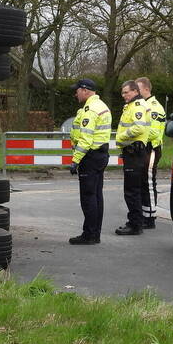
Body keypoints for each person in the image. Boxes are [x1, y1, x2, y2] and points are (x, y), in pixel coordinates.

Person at [68, 78, 112, 244]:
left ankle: (89, 235)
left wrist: (75, 160)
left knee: (88, 197)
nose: (75, 93)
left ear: (85, 90)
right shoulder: (101, 106)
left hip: (90, 157)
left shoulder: (91, 110)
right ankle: (95, 234)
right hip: (100, 155)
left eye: (77, 90)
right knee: (96, 196)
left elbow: (86, 140)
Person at [115, 80, 151, 235]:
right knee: (133, 189)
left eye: (126, 92)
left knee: (132, 190)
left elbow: (139, 127)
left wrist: (122, 137)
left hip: (134, 152)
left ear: (136, 91)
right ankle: (136, 222)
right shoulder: (130, 106)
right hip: (132, 152)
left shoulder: (137, 107)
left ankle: (135, 224)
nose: (124, 95)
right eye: (122, 93)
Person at [136, 77, 165, 229]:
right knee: (142, 182)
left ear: (146, 89)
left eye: (138, 89)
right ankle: (144, 214)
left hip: (151, 149)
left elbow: (153, 132)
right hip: (144, 148)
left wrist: (136, 136)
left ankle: (151, 217)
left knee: (148, 182)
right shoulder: (144, 105)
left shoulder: (154, 107)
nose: (136, 92)